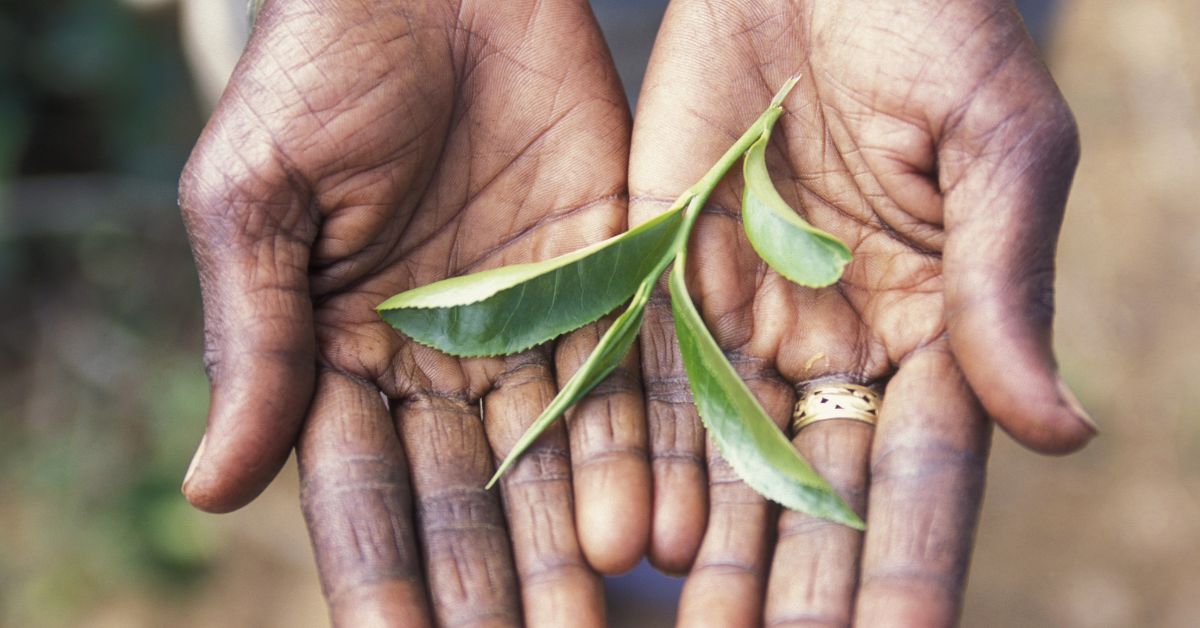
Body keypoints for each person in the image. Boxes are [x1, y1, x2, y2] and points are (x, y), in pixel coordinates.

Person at [177, 0, 1093, 625]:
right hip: (465, 70)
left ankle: (655, 585)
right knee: (588, 465)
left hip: (849, 53)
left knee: (686, 474)